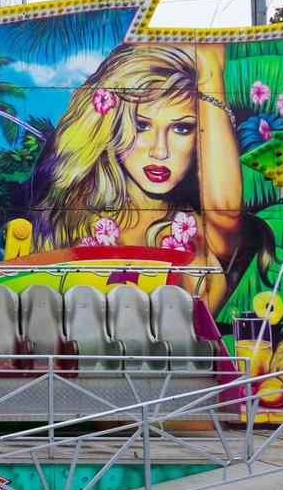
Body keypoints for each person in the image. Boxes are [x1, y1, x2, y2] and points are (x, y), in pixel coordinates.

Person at [28, 43, 249, 312]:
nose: (160, 150)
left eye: (182, 128)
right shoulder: (73, 214)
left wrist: (210, 72)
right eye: (142, 126)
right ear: (112, 126)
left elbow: (226, 210)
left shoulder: (194, 230)